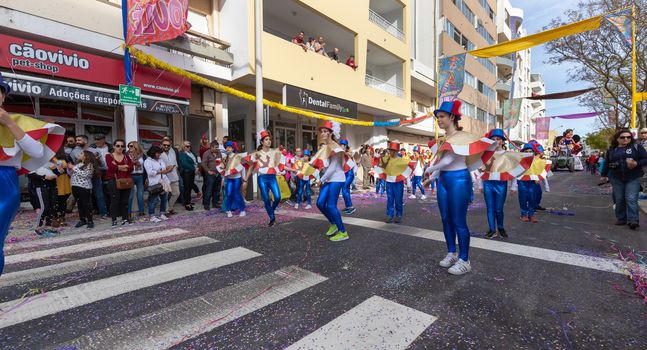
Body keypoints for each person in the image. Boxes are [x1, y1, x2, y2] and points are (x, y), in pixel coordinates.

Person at [424, 100, 496, 275]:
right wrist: (432, 178)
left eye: (441, 116)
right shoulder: (444, 139)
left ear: (452, 117)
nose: (439, 120)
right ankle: (451, 253)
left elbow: (449, 160)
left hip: (459, 180)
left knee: (458, 221)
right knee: (446, 218)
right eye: (437, 117)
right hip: (444, 180)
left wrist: (430, 169)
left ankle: (465, 259)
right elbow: (442, 162)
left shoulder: (462, 137)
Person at [0, 75, 62, 275]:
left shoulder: (17, 121)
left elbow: (37, 152)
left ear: (3, 97)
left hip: (3, 181)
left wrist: (9, 123)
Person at [478, 129, 533, 238]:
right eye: (493, 139)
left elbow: (513, 171)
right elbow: (481, 170)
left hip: (501, 185)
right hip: (487, 183)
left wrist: (514, 185)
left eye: (498, 139)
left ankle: (501, 228)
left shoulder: (508, 155)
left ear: (503, 141)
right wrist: (480, 184)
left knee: (499, 208)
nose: (495, 141)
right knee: (490, 208)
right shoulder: (486, 154)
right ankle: (492, 229)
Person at [309, 121, 349, 241]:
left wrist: (321, 179)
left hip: (337, 178)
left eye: (326, 131)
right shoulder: (325, 147)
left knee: (331, 205)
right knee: (320, 203)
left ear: (331, 133)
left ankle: (343, 232)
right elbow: (321, 166)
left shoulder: (336, 147)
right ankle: (333, 224)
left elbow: (333, 167)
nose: (323, 133)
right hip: (329, 178)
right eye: (322, 131)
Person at [600, 129, 647, 230]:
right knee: (619, 199)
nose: (626, 139)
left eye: (628, 137)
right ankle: (621, 218)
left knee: (630, 198)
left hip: (633, 177)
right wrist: (603, 175)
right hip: (616, 178)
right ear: (617, 138)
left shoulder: (637, 147)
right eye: (622, 137)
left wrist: (636, 163)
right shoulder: (612, 150)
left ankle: (633, 220)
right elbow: (607, 163)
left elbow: (645, 159)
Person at [244, 130, 288, 226]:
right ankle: (272, 218)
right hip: (262, 178)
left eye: (269, 139)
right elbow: (250, 164)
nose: (269, 141)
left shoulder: (274, 152)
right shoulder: (257, 153)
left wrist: (293, 169)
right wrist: (245, 179)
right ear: (262, 142)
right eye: (266, 139)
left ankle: (271, 210)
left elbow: (281, 164)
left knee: (277, 197)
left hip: (272, 177)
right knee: (266, 199)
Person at [512, 143, 551, 224]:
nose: (529, 152)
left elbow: (544, 168)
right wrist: (514, 187)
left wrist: (539, 178)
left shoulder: (537, 161)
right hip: (522, 182)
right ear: (523, 152)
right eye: (527, 151)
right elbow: (515, 174)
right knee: (523, 199)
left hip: (532, 182)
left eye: (530, 151)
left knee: (532, 199)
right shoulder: (520, 161)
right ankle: (523, 215)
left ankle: (531, 215)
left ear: (533, 152)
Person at [376, 141, 414, 223]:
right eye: (390, 150)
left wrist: (407, 181)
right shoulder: (386, 159)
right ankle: (389, 215)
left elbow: (411, 165)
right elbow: (377, 162)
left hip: (398, 183)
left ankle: (398, 215)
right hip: (389, 182)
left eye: (393, 150)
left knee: (398, 199)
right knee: (390, 199)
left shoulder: (402, 160)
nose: (391, 152)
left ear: (397, 151)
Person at [105, 139, 134, 226]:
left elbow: (131, 168)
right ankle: (114, 219)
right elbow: (111, 167)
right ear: (114, 146)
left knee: (125, 201)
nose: (120, 148)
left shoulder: (126, 157)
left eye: (122, 146)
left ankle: (125, 218)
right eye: (118, 146)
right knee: (115, 200)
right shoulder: (109, 156)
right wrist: (123, 166)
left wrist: (117, 166)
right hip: (113, 180)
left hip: (125, 181)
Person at [71, 150, 99, 229]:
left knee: (86, 204)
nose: (79, 154)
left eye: (81, 153)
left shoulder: (89, 165)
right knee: (79, 204)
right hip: (75, 186)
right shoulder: (78, 164)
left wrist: (74, 168)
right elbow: (72, 173)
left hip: (84, 187)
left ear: (86, 156)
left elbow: (86, 175)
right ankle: (82, 219)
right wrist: (70, 169)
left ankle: (90, 221)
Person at [144, 146, 172, 223]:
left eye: (160, 153)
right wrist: (160, 172)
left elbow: (163, 169)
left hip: (163, 182)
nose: (159, 154)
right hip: (154, 183)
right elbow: (150, 172)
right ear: (153, 153)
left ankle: (162, 213)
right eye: (158, 153)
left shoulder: (160, 160)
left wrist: (168, 169)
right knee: (153, 200)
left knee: (164, 198)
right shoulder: (148, 161)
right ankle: (151, 216)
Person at [220, 141, 247, 217]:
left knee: (237, 193)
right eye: (226, 147)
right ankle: (228, 210)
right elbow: (223, 170)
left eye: (229, 147)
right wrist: (222, 179)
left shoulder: (237, 156)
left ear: (232, 148)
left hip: (237, 178)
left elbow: (242, 168)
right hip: (229, 179)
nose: (227, 148)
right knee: (228, 194)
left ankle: (242, 210)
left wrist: (244, 179)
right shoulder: (225, 158)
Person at [178, 140, 202, 211]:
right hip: (186, 172)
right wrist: (194, 169)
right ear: (183, 147)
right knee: (187, 188)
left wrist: (197, 168)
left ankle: (188, 201)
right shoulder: (182, 154)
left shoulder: (192, 153)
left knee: (190, 187)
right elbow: (185, 164)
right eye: (187, 146)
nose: (188, 147)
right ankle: (187, 204)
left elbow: (196, 161)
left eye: (189, 146)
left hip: (192, 172)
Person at [201, 140, 223, 211]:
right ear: (211, 147)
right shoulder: (206, 153)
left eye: (218, 147)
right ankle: (206, 204)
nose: (217, 149)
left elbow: (221, 162)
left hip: (218, 173)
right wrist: (208, 171)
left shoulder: (219, 153)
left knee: (217, 189)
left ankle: (215, 203)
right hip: (210, 174)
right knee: (209, 190)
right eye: (216, 147)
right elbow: (203, 164)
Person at [160, 139, 181, 214]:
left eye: (168, 145)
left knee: (176, 193)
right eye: (164, 145)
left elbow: (175, 164)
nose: (166, 146)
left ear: (170, 146)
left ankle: (170, 208)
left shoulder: (173, 153)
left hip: (174, 176)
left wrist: (173, 167)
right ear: (162, 145)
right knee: (165, 195)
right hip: (165, 177)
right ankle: (165, 211)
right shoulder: (160, 154)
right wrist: (167, 168)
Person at [127, 141, 146, 218]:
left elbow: (145, 166)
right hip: (131, 175)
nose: (129, 148)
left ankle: (141, 211)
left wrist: (146, 178)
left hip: (140, 176)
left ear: (136, 146)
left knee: (140, 195)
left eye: (131, 146)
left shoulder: (142, 155)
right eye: (129, 146)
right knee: (130, 195)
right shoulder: (127, 155)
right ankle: (128, 212)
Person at [54, 148, 72, 226]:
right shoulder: (50, 157)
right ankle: (55, 216)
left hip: (64, 180)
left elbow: (71, 166)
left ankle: (62, 216)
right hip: (54, 179)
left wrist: (65, 170)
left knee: (63, 199)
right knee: (55, 199)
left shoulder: (66, 156)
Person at [339, 139, 357, 215]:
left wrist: (346, 152)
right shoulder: (341, 153)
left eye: (342, 145)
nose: (340, 146)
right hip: (345, 174)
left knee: (344, 189)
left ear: (345, 146)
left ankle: (351, 207)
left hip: (349, 174)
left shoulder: (348, 153)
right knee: (345, 190)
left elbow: (350, 155)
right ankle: (348, 207)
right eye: (340, 145)